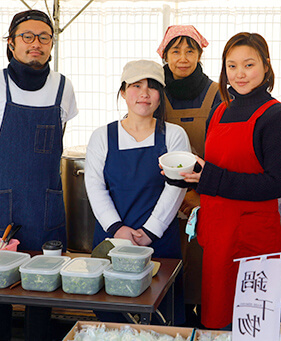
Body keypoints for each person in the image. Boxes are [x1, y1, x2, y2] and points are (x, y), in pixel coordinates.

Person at [0, 9, 78, 341]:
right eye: (27, 37)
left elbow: (57, 141)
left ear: (51, 45)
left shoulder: (63, 88)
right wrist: (4, 185)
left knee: (42, 291)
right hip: (0, 205)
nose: (36, 44)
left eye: (44, 37)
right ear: (11, 43)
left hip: (46, 205)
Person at [179, 32, 281, 330]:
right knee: (217, 319)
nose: (239, 74)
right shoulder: (220, 110)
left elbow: (275, 184)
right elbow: (216, 168)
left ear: (266, 67)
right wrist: (193, 177)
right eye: (232, 66)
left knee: (250, 324)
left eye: (248, 65)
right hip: (218, 234)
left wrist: (211, 178)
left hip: (252, 238)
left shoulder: (275, 115)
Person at [85, 60, 190, 325]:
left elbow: (176, 186)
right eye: (136, 85)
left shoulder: (174, 135)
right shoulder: (102, 136)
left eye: (152, 87)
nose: (144, 93)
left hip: (159, 240)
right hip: (112, 239)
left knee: (161, 314)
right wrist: (117, 228)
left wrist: (151, 231)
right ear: (123, 92)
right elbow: (95, 186)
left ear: (161, 95)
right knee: (112, 314)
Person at [156, 24, 221, 326]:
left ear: (200, 54)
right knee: (170, 266)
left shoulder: (217, 93)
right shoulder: (155, 93)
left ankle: (204, 323)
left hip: (206, 195)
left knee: (203, 265)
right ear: (164, 55)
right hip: (165, 195)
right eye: (175, 51)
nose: (183, 58)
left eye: (190, 50)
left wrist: (200, 190)